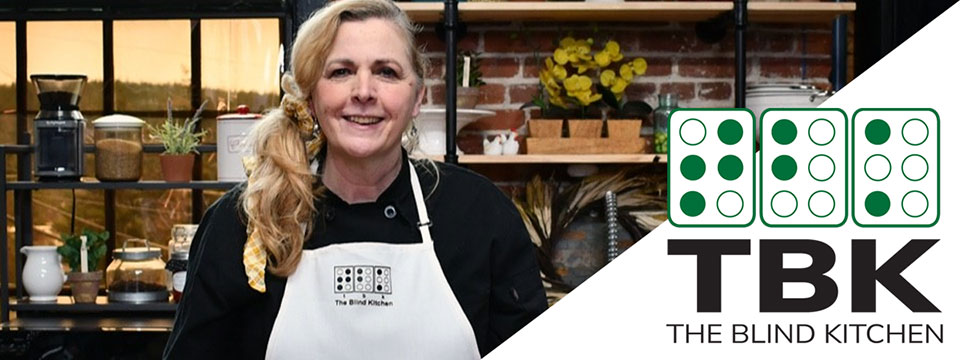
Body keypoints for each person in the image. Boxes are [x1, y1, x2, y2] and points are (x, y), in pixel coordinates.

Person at [162, 0, 547, 358]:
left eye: (386, 72)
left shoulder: (482, 217)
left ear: (417, 97)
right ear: (311, 98)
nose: (364, 92)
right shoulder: (246, 222)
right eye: (341, 72)